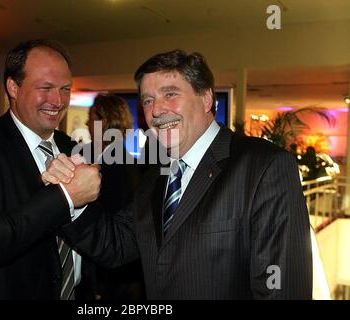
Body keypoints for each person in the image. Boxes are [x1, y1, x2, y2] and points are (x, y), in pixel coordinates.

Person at [45, 49, 313, 299]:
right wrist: (71, 195)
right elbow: (115, 244)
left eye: (170, 94)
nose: (157, 110)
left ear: (207, 98)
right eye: (148, 100)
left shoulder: (264, 167)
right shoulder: (155, 179)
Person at [0, 39, 101, 299]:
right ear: (13, 88)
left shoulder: (73, 149)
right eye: (46, 88)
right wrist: (64, 198)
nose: (58, 101)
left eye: (65, 89)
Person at [77, 94, 145, 300]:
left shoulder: (116, 165)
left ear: (104, 121)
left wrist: (100, 285)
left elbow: (115, 223)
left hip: (113, 278)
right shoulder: (114, 159)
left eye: (91, 117)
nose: (87, 123)